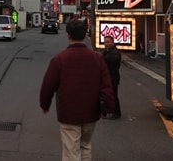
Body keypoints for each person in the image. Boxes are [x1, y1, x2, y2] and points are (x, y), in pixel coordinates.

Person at [39, 19, 115, 161]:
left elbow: (48, 85)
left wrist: (45, 104)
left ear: (68, 35)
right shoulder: (97, 58)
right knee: (85, 146)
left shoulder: (60, 59)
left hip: (68, 113)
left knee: (71, 151)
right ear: (85, 35)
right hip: (91, 112)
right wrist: (109, 108)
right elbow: (106, 85)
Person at [102, 35, 122, 119]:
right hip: (108, 76)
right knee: (108, 94)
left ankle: (116, 113)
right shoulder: (107, 51)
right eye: (105, 42)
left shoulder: (115, 52)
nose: (106, 44)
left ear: (112, 42)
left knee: (113, 94)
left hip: (113, 76)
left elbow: (109, 59)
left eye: (108, 42)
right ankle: (109, 111)